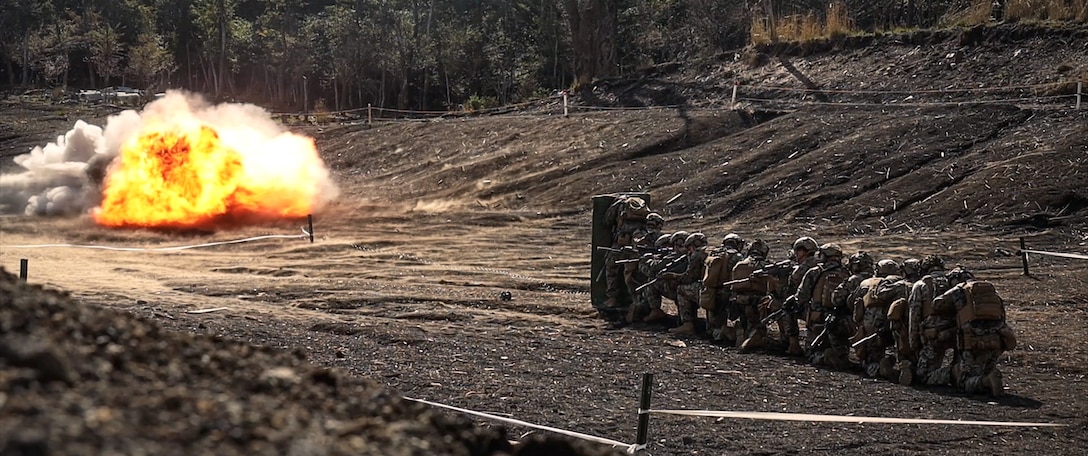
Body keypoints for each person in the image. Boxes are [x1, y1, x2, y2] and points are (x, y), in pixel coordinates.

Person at [938, 279, 1016, 396]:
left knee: (963, 383)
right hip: (995, 342)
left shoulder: (958, 291)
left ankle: (985, 381)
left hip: (972, 342)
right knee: (986, 369)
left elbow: (937, 304)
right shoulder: (991, 295)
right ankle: (989, 378)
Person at [906, 256, 969, 387]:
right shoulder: (953, 282)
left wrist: (914, 345)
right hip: (956, 332)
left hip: (933, 334)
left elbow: (914, 316)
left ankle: (952, 373)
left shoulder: (921, 285)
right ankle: (966, 375)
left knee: (923, 376)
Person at [790, 243, 852, 368]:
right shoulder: (848, 274)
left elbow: (801, 296)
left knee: (811, 353)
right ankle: (839, 355)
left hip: (817, 319)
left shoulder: (814, 272)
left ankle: (824, 357)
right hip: (841, 321)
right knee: (841, 349)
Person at [777, 236, 819, 355]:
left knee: (788, 308)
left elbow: (794, 287)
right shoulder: (821, 263)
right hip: (825, 307)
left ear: (802, 251)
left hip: (810, 309)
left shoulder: (803, 267)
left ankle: (793, 345)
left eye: (797, 251)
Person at [701, 234, 745, 344]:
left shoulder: (714, 253)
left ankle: (715, 331)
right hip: (728, 291)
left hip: (711, 290)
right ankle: (727, 333)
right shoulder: (737, 256)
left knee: (714, 317)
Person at [663, 232, 709, 336]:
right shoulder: (711, 252)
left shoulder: (696, 255)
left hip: (706, 290)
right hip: (721, 289)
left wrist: (673, 276)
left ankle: (688, 325)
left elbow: (689, 277)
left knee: (681, 289)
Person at [732, 239, 773, 352]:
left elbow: (734, 287)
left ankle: (742, 334)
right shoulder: (767, 266)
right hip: (758, 303)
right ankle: (753, 338)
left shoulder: (739, 264)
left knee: (745, 322)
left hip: (740, 301)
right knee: (757, 326)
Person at [642, 231, 689, 324]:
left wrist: (647, 260)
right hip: (689, 287)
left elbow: (655, 267)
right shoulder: (692, 255)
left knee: (652, 281)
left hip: (679, 289)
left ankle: (655, 310)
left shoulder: (676, 256)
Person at [625, 213, 665, 323]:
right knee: (632, 280)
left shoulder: (662, 237)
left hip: (654, 265)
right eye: (650, 224)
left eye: (654, 224)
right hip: (640, 264)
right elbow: (637, 244)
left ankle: (651, 309)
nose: (652, 227)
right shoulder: (640, 235)